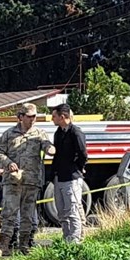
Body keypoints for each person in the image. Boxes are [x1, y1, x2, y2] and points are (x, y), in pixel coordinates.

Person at [0, 103, 55, 255]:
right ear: (20, 117)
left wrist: (49, 149)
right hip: (12, 180)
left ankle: (25, 245)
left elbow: (47, 145)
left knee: (28, 215)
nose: (32, 119)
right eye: (29, 116)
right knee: (9, 213)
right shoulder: (9, 134)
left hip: (31, 180)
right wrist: (8, 163)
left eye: (34, 116)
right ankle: (4, 245)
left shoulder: (40, 134)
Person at [50, 103, 88, 243]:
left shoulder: (75, 132)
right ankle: (66, 238)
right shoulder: (58, 133)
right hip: (59, 176)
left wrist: (78, 167)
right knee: (62, 211)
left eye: (54, 116)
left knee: (73, 209)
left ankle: (75, 241)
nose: (52, 119)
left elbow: (83, 153)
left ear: (63, 116)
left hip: (72, 177)